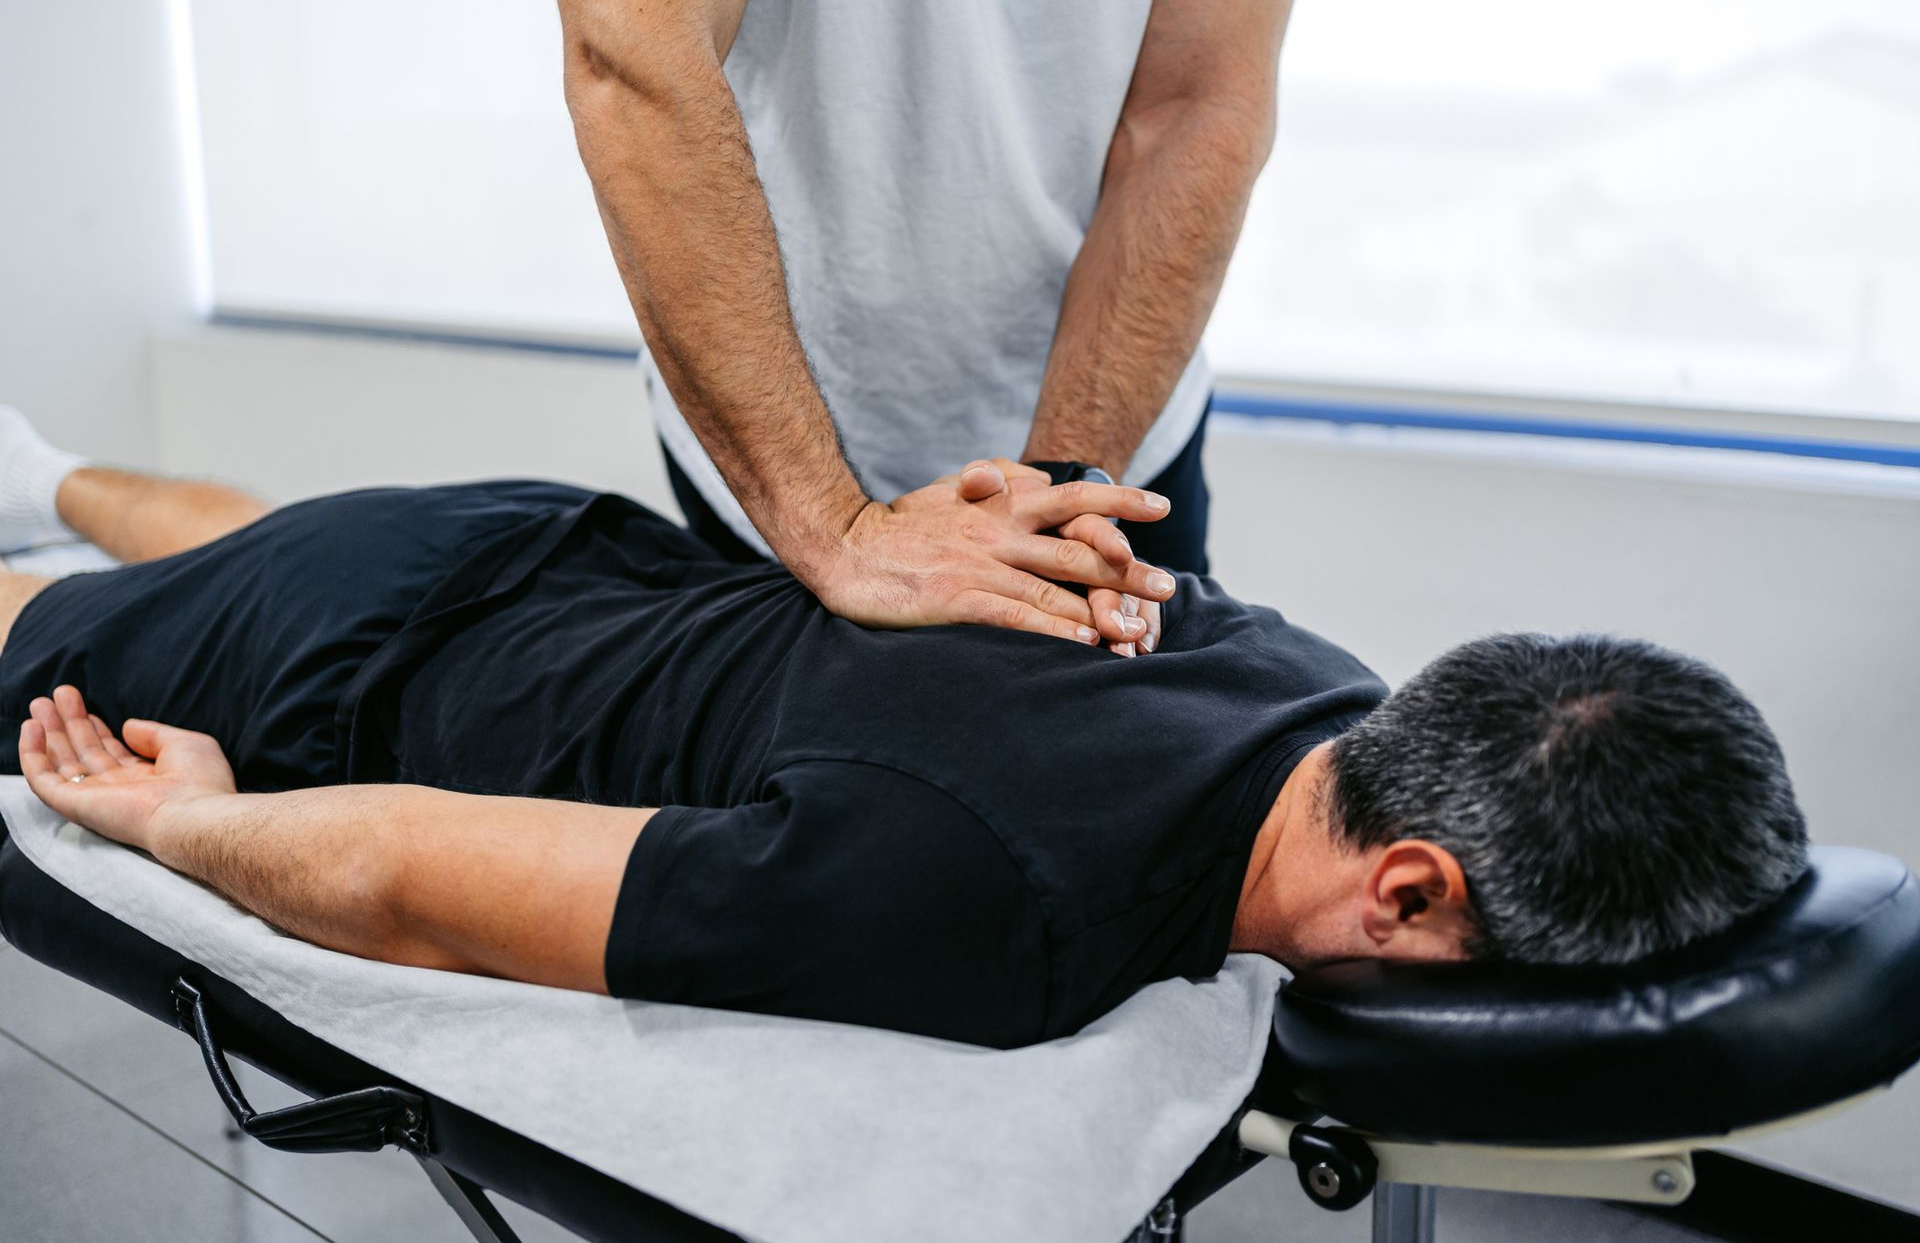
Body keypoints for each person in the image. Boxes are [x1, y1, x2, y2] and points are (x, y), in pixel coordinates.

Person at [0, 434, 1808, 1048]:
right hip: (353, 675)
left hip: (526, 543)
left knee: (258, 529)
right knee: (33, 629)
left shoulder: (1296, 668)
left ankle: (40, 464)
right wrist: (188, 832)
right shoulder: (989, 899)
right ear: (1410, 888)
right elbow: (396, 880)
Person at [552, 0, 1314, 656]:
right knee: (819, 791)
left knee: (1131, 787)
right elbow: (636, 52)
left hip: (1116, 431)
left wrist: (1057, 489)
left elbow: (1195, 103)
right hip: (771, 448)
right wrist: (832, 529)